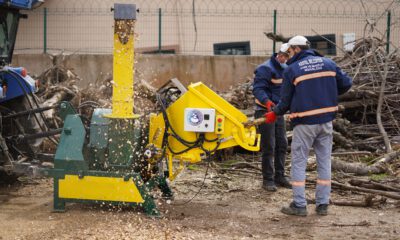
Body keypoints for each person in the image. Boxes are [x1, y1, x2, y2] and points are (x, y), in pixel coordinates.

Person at [264, 36, 352, 216]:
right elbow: (346, 84)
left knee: (298, 162)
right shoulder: (328, 63)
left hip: (304, 124)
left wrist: (275, 112)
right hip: (326, 122)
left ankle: (299, 204)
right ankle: (322, 204)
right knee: (324, 161)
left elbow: (285, 100)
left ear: (296, 49)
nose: (288, 55)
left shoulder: (292, 70)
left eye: (289, 51)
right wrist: (328, 92)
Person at [252, 43, 292, 192]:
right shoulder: (265, 68)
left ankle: (279, 176)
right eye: (283, 56)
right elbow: (258, 89)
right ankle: (268, 179)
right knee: (269, 145)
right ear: (279, 54)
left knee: (282, 144)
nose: (284, 59)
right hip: (264, 111)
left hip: (277, 111)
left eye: (287, 57)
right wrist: (267, 102)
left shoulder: (286, 69)